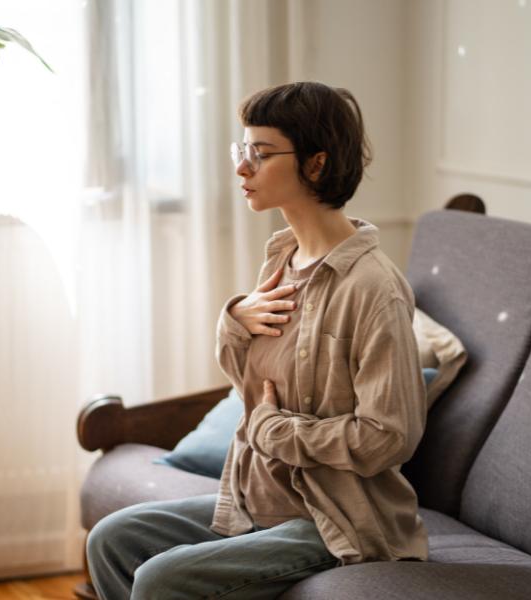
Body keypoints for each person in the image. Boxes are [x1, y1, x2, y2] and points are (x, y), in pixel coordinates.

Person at [86, 81, 428, 600]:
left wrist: (275, 432)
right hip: (263, 496)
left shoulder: (374, 289)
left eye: (260, 154)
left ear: (316, 164)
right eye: (241, 151)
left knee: (160, 578)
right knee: (112, 540)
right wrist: (234, 322)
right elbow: (250, 384)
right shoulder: (282, 260)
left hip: (337, 517)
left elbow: (388, 436)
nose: (242, 168)